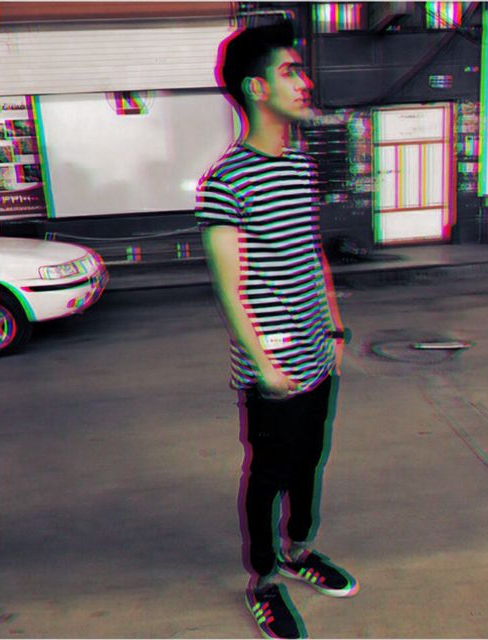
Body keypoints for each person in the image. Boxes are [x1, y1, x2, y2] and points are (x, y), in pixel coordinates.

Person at [195, 21, 358, 640]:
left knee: (310, 459)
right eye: (290, 71)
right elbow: (229, 286)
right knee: (267, 473)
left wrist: (334, 330)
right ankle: (263, 580)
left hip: (316, 351)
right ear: (256, 88)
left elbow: (310, 252)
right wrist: (263, 364)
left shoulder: (299, 165)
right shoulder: (225, 181)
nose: (304, 81)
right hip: (272, 364)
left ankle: (299, 550)